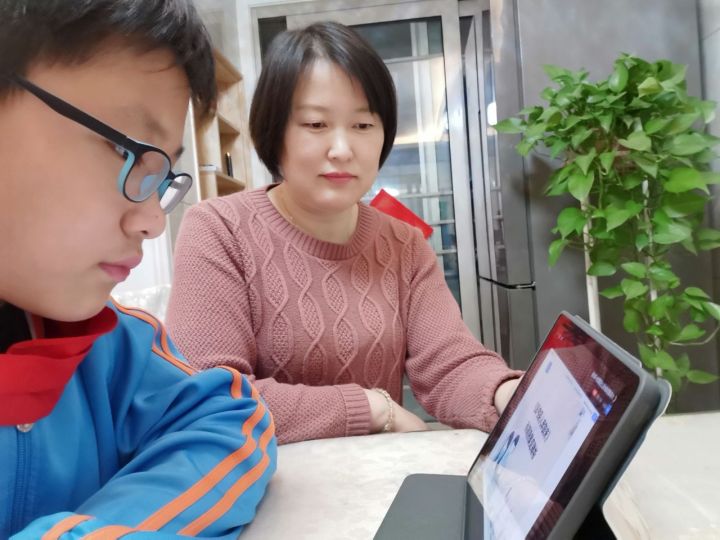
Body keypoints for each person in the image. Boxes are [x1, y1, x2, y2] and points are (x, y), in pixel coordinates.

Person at [166, 21, 522, 445]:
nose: (342, 149)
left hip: (378, 479)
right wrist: (372, 409)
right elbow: (209, 397)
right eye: (316, 124)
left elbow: (450, 364)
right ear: (273, 131)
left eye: (363, 125)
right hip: (264, 480)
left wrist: (507, 394)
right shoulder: (219, 228)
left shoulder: (404, 244)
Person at [0, 2, 276, 538]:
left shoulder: (107, 344)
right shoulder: (222, 227)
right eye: (124, 148)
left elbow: (230, 414)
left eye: (162, 175)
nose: (152, 222)